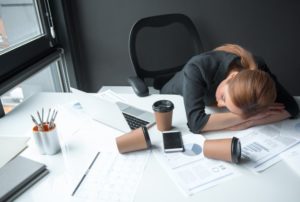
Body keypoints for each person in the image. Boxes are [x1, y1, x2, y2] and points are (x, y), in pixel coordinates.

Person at [160, 44, 299, 133]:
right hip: (168, 102)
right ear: (232, 77)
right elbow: (196, 124)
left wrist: (251, 122)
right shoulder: (197, 68)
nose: (220, 105)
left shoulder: (257, 73)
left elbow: (292, 108)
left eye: (224, 102)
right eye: (224, 98)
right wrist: (245, 116)